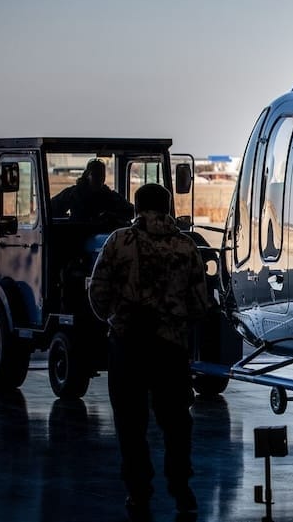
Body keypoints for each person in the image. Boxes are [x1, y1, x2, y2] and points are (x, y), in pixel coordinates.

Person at [88, 183, 213, 520]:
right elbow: (201, 303)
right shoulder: (186, 247)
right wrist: (174, 319)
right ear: (169, 206)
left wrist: (117, 317)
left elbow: (97, 292)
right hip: (170, 349)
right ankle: (181, 489)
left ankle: (138, 491)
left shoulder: (119, 242)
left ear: (137, 207)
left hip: (129, 346)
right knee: (175, 422)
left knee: (130, 423)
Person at [50, 159, 134, 223]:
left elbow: (131, 211)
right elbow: (51, 208)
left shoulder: (110, 195)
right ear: (87, 175)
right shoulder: (74, 193)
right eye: (96, 175)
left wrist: (112, 216)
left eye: (102, 175)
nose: (99, 179)